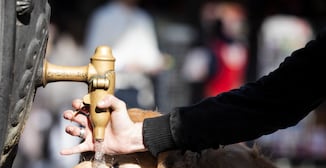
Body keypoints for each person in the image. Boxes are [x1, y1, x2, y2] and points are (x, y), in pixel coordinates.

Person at [60, 28, 326, 158]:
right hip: (223, 111)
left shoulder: (217, 48)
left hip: (221, 106)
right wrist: (138, 135)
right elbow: (274, 100)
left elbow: (272, 100)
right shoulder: (225, 47)